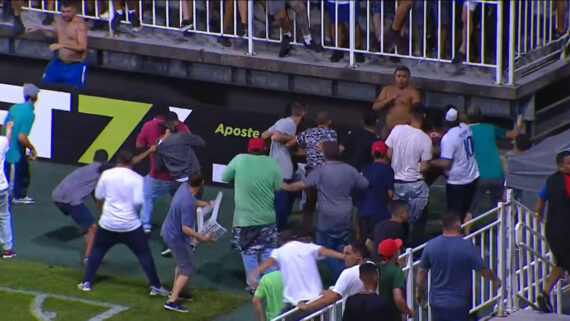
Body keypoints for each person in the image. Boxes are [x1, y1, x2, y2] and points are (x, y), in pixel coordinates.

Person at [78, 149, 169, 296]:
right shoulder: (138, 179)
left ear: (118, 160)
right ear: (132, 162)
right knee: (144, 255)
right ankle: (155, 286)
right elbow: (139, 201)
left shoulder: (107, 175)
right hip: (130, 225)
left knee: (97, 251)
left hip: (108, 223)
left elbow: (99, 196)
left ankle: (86, 282)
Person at [283, 141, 369, 278]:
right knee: (342, 251)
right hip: (345, 218)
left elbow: (302, 184)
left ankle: (343, 278)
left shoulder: (321, 171)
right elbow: (364, 184)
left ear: (325, 154)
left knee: (323, 251)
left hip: (326, 220)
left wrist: (286, 187)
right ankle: (347, 278)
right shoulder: (350, 170)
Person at [221, 138, 283, 293]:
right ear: (264, 149)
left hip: (245, 220)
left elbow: (224, 177)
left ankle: (255, 285)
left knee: (249, 252)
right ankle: (273, 284)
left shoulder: (239, 159)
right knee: (269, 251)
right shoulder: (271, 163)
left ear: (249, 148)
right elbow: (278, 187)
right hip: (267, 217)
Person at [416, 211, 501, 321]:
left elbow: (421, 273)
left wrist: (420, 291)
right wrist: (495, 280)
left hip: (437, 302)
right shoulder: (466, 246)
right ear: (457, 224)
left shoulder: (431, 246)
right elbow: (482, 269)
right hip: (459, 303)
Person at [249, 235, 344, 321]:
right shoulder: (307, 247)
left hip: (296, 306)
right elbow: (324, 251)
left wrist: (254, 273)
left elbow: (270, 261)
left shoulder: (279, 252)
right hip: (316, 300)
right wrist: (343, 256)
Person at [161, 172, 215, 313]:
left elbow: (193, 201)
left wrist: (206, 204)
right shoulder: (186, 202)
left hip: (169, 231)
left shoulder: (184, 188)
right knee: (188, 268)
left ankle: (180, 292)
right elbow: (186, 229)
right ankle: (172, 301)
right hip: (176, 237)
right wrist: (202, 238)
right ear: (201, 184)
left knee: (182, 263)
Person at [135, 106, 189, 234]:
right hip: (177, 177)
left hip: (157, 176)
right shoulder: (180, 125)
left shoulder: (148, 125)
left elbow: (139, 145)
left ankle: (145, 225)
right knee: (179, 203)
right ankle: (180, 227)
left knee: (147, 197)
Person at [52, 149, 110, 263]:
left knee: (88, 227)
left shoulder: (86, 169)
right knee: (93, 227)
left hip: (57, 196)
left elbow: (95, 197)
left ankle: (93, 252)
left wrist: (105, 213)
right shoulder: (99, 170)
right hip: (70, 200)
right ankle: (88, 258)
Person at [386, 106, 432, 246]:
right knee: (419, 220)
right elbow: (424, 167)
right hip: (415, 184)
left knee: (399, 218)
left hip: (396, 182)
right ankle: (416, 252)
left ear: (410, 116)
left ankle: (400, 247)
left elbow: (388, 154)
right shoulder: (425, 139)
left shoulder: (397, 129)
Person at [430, 108, 479, 233]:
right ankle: (465, 235)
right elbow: (457, 142)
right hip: (472, 176)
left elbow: (446, 164)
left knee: (453, 213)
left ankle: (453, 235)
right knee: (465, 210)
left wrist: (430, 162)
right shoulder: (466, 127)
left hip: (458, 181)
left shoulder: (449, 138)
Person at [466, 106, 523, 212]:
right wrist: (519, 125)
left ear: (467, 118)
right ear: (481, 117)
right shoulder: (490, 127)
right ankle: (499, 228)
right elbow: (513, 134)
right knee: (498, 209)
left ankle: (465, 228)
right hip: (497, 174)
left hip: (479, 176)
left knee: (469, 210)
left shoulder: (465, 131)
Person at [261, 102, 307, 230]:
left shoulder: (281, 121)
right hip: (282, 169)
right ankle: (276, 227)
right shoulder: (290, 123)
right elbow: (275, 137)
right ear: (303, 113)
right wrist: (292, 138)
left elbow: (264, 135)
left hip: (276, 166)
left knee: (288, 196)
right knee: (281, 200)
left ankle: (278, 224)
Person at [536, 150, 570, 313]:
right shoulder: (566, 182)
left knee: (561, 264)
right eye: (569, 163)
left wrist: (538, 214)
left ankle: (544, 294)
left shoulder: (550, 180)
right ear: (560, 165)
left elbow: (541, 198)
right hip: (565, 231)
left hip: (552, 230)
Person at [297, 240, 371, 313]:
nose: (344, 257)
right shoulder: (374, 267)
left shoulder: (349, 273)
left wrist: (307, 306)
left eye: (347, 254)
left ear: (357, 256)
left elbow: (331, 298)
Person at [295, 111, 337, 236]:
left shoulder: (308, 132)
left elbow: (296, 141)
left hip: (311, 172)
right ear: (329, 122)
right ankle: (325, 231)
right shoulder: (332, 133)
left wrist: (306, 150)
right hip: (327, 172)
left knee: (309, 203)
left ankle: (306, 231)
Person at [27, 1, 88, 87]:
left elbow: (82, 47)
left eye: (68, 12)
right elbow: (54, 35)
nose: (65, 14)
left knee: (75, 93)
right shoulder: (60, 21)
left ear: (74, 10)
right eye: (63, 12)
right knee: (45, 86)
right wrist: (40, 29)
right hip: (59, 63)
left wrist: (62, 45)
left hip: (75, 66)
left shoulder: (79, 24)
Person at [4, 83, 38, 205]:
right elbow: (21, 137)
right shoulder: (30, 114)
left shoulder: (14, 108)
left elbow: (5, 126)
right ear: (34, 98)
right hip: (16, 151)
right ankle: (19, 196)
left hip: (5, 146)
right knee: (20, 173)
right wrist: (32, 148)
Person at [355, 140, 394, 240]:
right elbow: (390, 193)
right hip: (380, 213)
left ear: (372, 154)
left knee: (364, 243)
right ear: (385, 154)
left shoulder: (364, 169)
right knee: (377, 243)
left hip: (363, 211)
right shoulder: (387, 169)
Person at [372, 66, 421, 139]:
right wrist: (387, 100)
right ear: (395, 77)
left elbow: (417, 112)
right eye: (399, 76)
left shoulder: (413, 92)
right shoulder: (387, 89)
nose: (401, 79)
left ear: (408, 78)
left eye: (404, 76)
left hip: (404, 130)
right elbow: (375, 107)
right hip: (387, 128)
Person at [377, 238, 413, 320]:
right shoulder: (396, 271)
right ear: (394, 254)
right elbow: (398, 299)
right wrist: (408, 311)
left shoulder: (373, 269)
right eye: (397, 249)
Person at [0, 121, 15, 259]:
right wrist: (9, 129)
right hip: (2, 188)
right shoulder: (2, 141)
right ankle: (8, 249)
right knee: (4, 216)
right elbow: (8, 139)